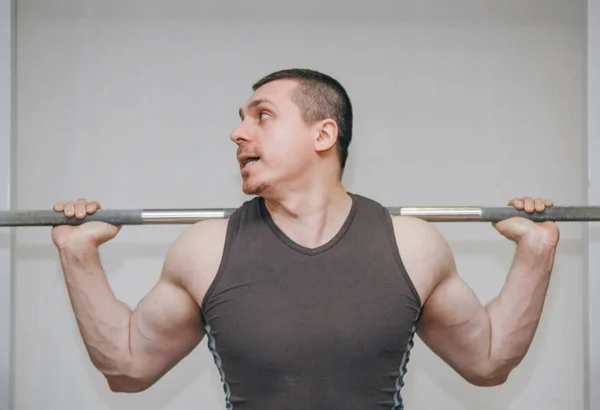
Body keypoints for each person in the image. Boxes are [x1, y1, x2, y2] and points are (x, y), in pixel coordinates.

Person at [50, 68, 560, 410]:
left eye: (262, 115)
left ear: (323, 135)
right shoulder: (205, 249)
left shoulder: (412, 245)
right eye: (240, 118)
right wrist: (78, 256)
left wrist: (537, 252)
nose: (237, 133)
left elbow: (488, 363)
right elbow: (128, 369)